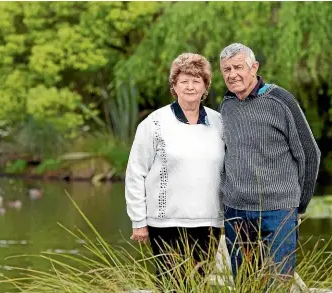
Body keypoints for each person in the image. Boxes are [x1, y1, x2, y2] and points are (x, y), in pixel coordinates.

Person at [218, 43, 321, 279]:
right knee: (244, 283)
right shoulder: (227, 105)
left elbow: (309, 153)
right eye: (226, 70)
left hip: (278, 211)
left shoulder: (281, 100)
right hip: (236, 212)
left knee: (278, 282)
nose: (232, 74)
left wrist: (299, 204)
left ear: (254, 67)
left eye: (238, 67)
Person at [125, 53, 225, 283]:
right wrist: (138, 221)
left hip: (208, 223)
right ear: (174, 86)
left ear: (205, 86)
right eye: (184, 81)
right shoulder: (155, 123)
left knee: (198, 284)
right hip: (166, 223)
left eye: (196, 81)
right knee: (171, 284)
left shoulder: (219, 122)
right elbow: (135, 172)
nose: (190, 87)